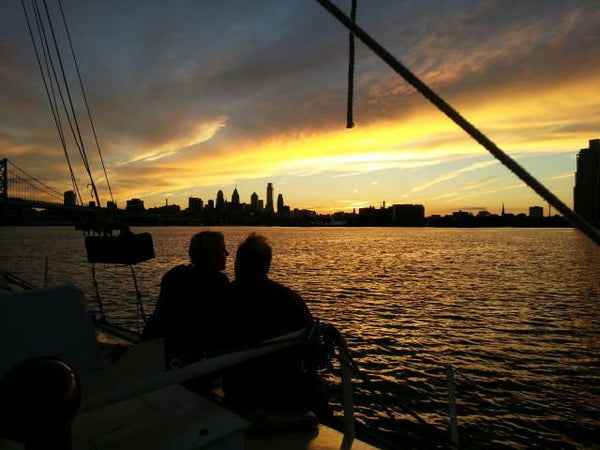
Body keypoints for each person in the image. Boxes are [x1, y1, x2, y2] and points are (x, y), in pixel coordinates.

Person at [223, 233, 329, 421]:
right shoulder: (289, 299)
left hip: (239, 390)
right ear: (267, 265)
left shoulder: (222, 297)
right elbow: (313, 350)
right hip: (282, 390)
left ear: (239, 263)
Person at [141, 231, 229, 370]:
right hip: (190, 358)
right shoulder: (218, 282)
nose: (227, 254)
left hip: (160, 350)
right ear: (212, 256)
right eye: (223, 250)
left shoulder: (173, 276)